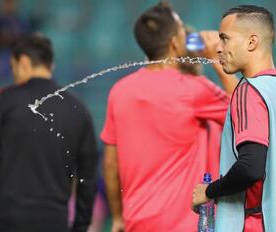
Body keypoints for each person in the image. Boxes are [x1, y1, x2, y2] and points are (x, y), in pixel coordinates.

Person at [101, 2, 237, 232]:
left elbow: (110, 164)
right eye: (182, 30)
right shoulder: (194, 89)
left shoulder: (119, 91)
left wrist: (117, 217)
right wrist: (216, 57)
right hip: (187, 224)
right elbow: (246, 113)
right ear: (175, 42)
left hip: (137, 221)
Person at [192, 5, 276, 232]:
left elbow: (251, 167)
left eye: (225, 38)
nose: (218, 48)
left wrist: (208, 191)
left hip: (259, 224)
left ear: (251, 42)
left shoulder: (250, 90)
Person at [0, 34, 98, 232]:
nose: (14, 74)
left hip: (7, 220)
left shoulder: (4, 103)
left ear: (23, 62)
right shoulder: (78, 109)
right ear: (50, 65)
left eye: (13, 67)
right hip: (55, 221)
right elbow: (88, 178)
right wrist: (81, 225)